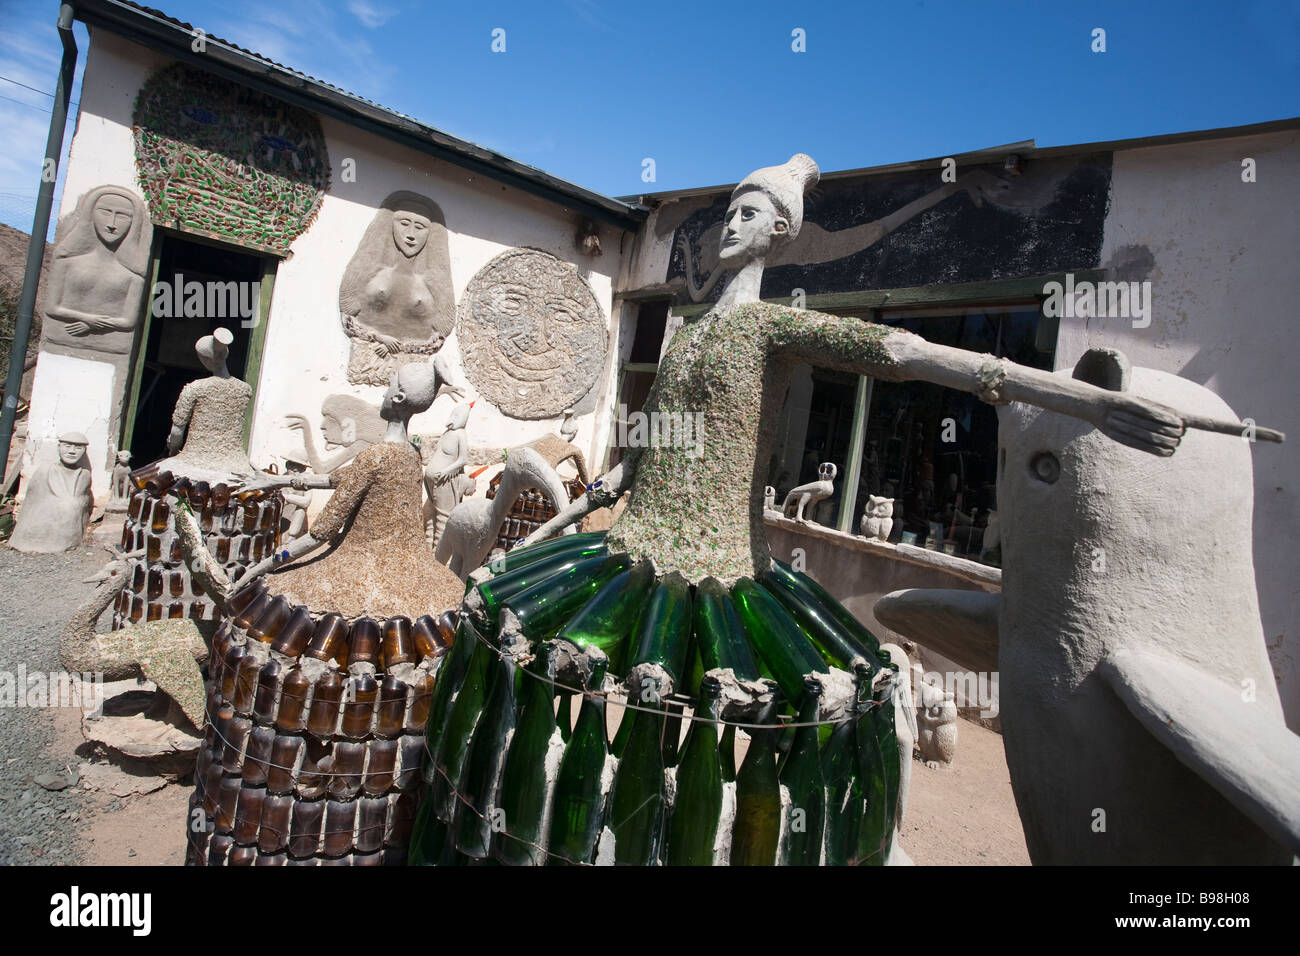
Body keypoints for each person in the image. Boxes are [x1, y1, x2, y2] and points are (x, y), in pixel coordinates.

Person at [10, 432, 92, 553]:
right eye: (67, 446)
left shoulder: (84, 475)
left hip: (68, 531)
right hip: (41, 526)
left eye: (78, 448)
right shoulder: (45, 470)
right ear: (59, 447)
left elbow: (84, 506)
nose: (72, 451)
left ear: (84, 451)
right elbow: (31, 505)